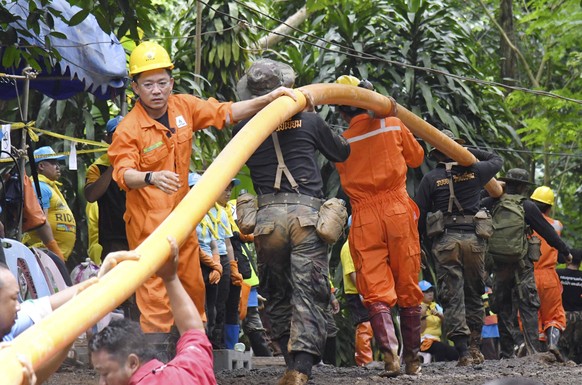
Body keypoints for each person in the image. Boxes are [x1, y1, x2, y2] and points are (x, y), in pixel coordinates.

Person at [107, 41, 298, 333]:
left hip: (183, 223)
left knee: (193, 290)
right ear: (135, 87)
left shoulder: (183, 106)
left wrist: (269, 99)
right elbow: (123, 173)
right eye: (148, 84)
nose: (156, 90)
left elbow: (226, 112)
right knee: (155, 297)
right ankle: (159, 367)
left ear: (171, 82)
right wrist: (151, 177)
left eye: (161, 83)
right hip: (149, 228)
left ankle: (194, 358)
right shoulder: (128, 129)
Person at [232, 59, 350, 384]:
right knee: (309, 294)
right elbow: (342, 152)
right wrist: (313, 114)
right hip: (306, 218)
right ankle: (300, 369)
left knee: (278, 295)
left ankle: (289, 364)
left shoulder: (243, 130)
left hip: (267, 222)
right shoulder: (310, 121)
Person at [334, 75, 423, 376]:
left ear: (342, 112)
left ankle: (390, 357)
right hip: (397, 210)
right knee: (408, 283)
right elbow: (417, 157)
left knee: (374, 288)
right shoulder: (393, 125)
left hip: (364, 217)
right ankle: (412, 360)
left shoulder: (342, 142)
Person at [415, 130, 503, 366]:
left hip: (445, 242)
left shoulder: (431, 178)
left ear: (436, 153)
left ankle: (463, 351)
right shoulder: (474, 172)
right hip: (473, 240)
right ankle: (475, 347)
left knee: (452, 296)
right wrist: (467, 153)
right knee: (475, 292)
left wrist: (423, 242)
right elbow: (496, 159)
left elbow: (419, 215)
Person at [90, 237, 217, 384]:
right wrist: (170, 278)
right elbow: (193, 330)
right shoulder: (191, 368)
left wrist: (101, 282)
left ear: (132, 363)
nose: (101, 383)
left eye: (105, 374)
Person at [481, 168, 572, 358]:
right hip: (522, 266)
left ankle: (506, 353)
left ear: (506, 183)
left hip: (499, 265)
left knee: (504, 308)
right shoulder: (527, 206)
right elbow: (547, 233)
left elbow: (476, 204)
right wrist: (565, 251)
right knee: (529, 307)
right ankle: (533, 352)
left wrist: (497, 189)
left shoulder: (492, 202)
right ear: (523, 187)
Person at [529, 186, 568, 360]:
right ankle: (552, 344)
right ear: (549, 207)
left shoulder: (524, 225)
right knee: (554, 314)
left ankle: (534, 352)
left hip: (528, 275)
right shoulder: (556, 225)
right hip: (549, 275)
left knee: (531, 314)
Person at [85, 116, 128, 263]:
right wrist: (113, 165)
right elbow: (90, 195)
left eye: (127, 132)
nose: (123, 137)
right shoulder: (97, 168)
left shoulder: (143, 162)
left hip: (142, 235)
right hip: (114, 239)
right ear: (108, 138)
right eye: (117, 133)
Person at [23, 146, 76, 261]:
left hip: (51, 255)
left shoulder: (50, 186)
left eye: (58, 163)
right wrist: (54, 249)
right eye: (53, 163)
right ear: (41, 166)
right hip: (45, 254)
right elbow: (41, 221)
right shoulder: (39, 186)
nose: (58, 167)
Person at [208, 179, 244, 349]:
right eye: (225, 189)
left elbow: (228, 243)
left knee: (222, 301)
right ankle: (207, 341)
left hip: (222, 258)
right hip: (207, 257)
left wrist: (232, 266)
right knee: (209, 302)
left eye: (230, 190)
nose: (228, 193)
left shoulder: (223, 213)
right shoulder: (203, 211)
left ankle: (218, 342)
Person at [339, 236, 381, 368]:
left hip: (364, 291)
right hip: (356, 292)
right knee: (364, 324)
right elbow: (351, 273)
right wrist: (363, 291)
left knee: (370, 324)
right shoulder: (348, 247)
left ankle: (369, 359)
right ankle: (364, 360)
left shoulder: (359, 245)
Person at [419, 280, 459, 362]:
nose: (430, 294)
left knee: (455, 353)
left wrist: (440, 315)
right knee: (440, 348)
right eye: (426, 292)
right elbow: (420, 330)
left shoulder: (436, 306)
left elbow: (447, 323)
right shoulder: (417, 307)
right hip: (422, 341)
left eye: (431, 291)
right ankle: (438, 368)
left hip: (436, 340)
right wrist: (422, 315)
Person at [557, 249, 582, 363]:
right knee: (578, 346)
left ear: (568, 259)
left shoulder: (558, 274)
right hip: (580, 316)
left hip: (562, 315)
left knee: (562, 346)